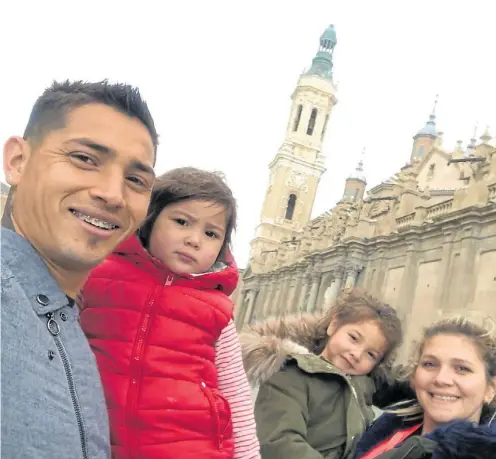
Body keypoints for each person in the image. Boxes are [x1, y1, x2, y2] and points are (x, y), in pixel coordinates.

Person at [1, 80, 158, 459]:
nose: (113, 194)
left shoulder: (68, 319)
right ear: (18, 161)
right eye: (85, 159)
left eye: (135, 180)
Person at [80, 167, 260, 459]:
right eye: (181, 221)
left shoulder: (216, 311)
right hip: (97, 443)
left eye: (211, 233)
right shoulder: (98, 276)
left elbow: (236, 394)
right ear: (149, 219)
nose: (194, 239)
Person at [240, 289, 409, 459]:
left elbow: (403, 383)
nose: (357, 354)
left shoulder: (364, 382)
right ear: (334, 325)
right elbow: (280, 443)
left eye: (371, 354)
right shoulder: (288, 375)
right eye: (354, 338)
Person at [352, 315, 496, 459]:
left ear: (490, 388)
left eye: (462, 369)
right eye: (430, 364)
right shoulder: (381, 430)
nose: (442, 379)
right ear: (414, 377)